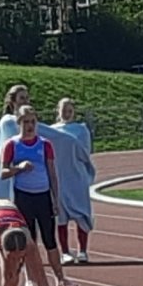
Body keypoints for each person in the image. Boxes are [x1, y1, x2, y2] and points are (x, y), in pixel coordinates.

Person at [0, 104, 74, 286]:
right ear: (19, 123)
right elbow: (2, 173)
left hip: (43, 197)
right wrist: (19, 168)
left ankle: (60, 279)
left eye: (33, 122)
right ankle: (30, 280)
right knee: (28, 241)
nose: (30, 126)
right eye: (26, 122)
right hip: (23, 197)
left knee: (50, 240)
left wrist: (55, 199)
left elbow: (52, 173)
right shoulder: (12, 145)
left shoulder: (45, 144)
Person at [50, 97, 96, 264]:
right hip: (59, 177)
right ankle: (65, 252)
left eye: (70, 110)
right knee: (60, 216)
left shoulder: (81, 130)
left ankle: (82, 250)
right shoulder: (51, 131)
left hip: (77, 176)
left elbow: (85, 152)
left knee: (81, 214)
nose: (67, 113)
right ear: (58, 111)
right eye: (64, 110)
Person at [0, 82, 29, 195]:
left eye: (26, 98)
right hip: (7, 170)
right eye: (22, 98)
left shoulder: (29, 122)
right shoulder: (8, 121)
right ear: (13, 101)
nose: (25, 101)